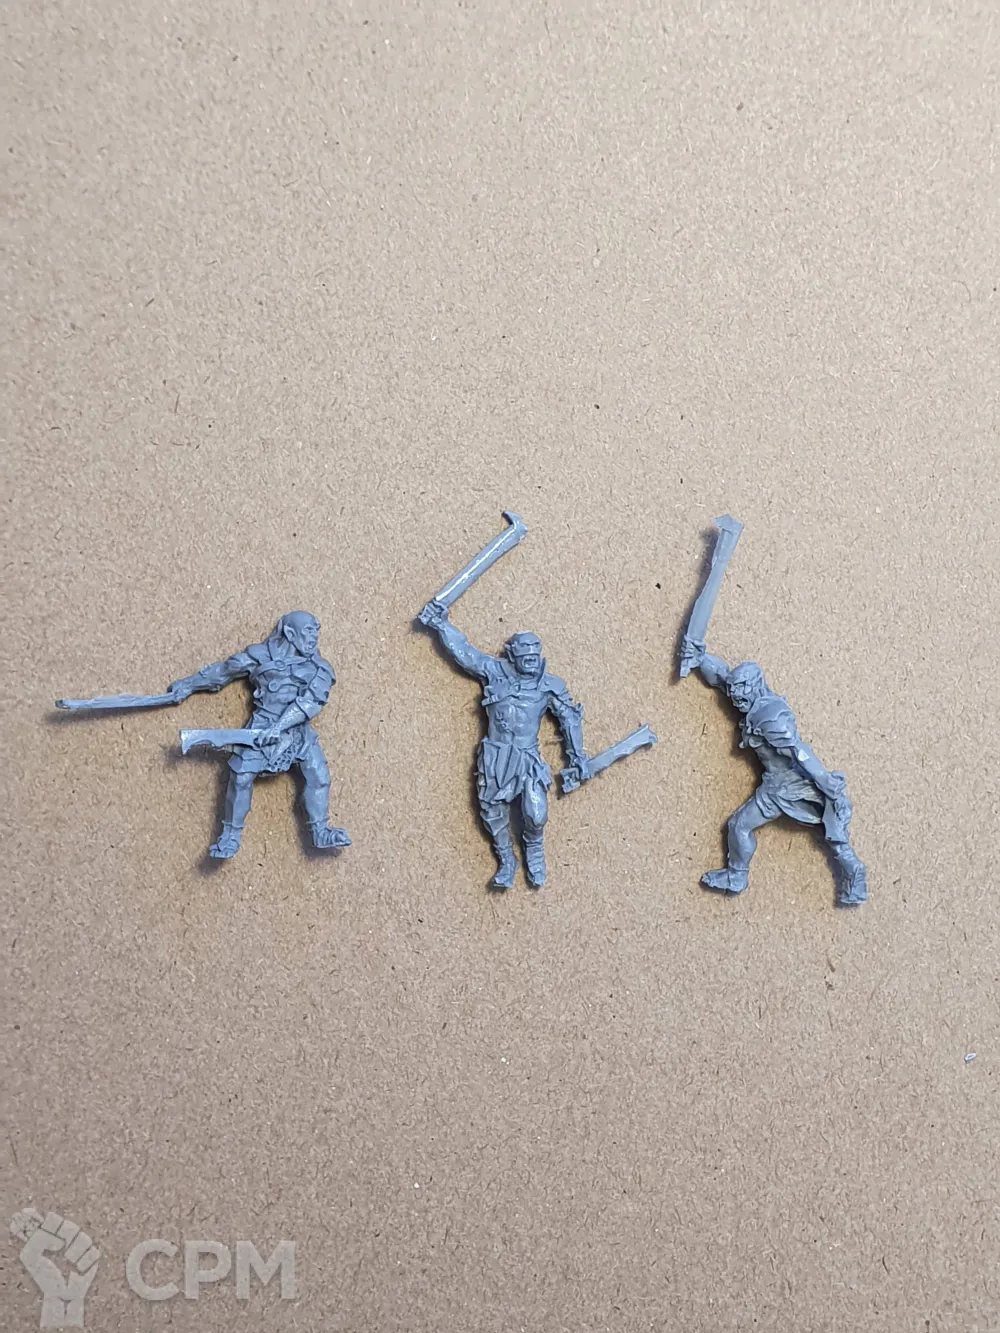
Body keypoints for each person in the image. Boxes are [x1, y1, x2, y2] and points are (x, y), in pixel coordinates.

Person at [679, 639, 868, 904]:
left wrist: (822, 778)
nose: (736, 699)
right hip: (782, 782)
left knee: (740, 826)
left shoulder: (769, 718)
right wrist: (699, 656)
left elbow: (797, 750)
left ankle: (737, 876)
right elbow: (721, 676)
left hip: (784, 786)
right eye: (735, 694)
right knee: (831, 833)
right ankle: (854, 874)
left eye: (741, 694)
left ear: (754, 687)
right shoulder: (753, 701)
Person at [419, 599, 590, 888]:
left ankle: (534, 850)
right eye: (525, 655)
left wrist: (577, 756)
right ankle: (506, 860)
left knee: (536, 813)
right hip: (495, 756)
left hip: (527, 757)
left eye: (534, 654)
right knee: (491, 810)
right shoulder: (494, 671)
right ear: (512, 655)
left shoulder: (549, 686)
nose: (531, 660)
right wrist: (441, 624)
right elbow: (465, 653)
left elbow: (569, 719)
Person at [169, 611, 350, 859]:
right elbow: (224, 671)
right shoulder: (260, 656)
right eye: (309, 632)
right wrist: (187, 685)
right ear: (290, 633)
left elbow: (310, 703)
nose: (314, 638)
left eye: (316, 632)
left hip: (297, 733)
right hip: (261, 728)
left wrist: (280, 728)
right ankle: (230, 837)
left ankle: (320, 831)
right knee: (240, 778)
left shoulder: (320, 669)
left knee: (319, 776)